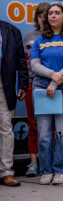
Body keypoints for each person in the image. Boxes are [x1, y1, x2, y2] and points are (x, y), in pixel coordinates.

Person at [31, 3, 63, 185]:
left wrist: (55, 81)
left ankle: (61, 170)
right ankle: (46, 170)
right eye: (50, 13)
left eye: (57, 13)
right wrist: (52, 76)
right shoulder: (40, 40)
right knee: (44, 134)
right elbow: (34, 65)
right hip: (42, 86)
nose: (53, 16)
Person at [0, 20, 28, 186]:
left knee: (5, 126)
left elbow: (21, 61)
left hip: (4, 84)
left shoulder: (11, 30)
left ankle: (6, 172)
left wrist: (22, 84)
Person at [23, 2, 49, 177]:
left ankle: (50, 160)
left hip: (52, 86)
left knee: (51, 126)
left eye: (47, 17)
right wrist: (23, 85)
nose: (44, 20)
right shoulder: (29, 36)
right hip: (33, 85)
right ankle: (33, 162)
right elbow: (24, 64)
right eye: (41, 16)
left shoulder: (56, 37)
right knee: (33, 125)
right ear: (37, 18)